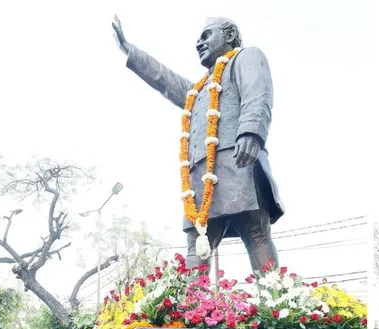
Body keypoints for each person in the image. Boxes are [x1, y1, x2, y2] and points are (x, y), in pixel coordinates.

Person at [112, 15, 283, 270]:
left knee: (256, 232)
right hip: (200, 175)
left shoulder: (245, 57)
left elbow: (258, 92)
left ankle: (276, 302)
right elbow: (164, 79)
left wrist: (251, 132)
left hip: (238, 160)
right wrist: (130, 51)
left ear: (229, 36)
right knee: (196, 245)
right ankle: (193, 308)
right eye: (198, 39)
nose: (199, 43)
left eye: (206, 36)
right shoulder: (197, 91)